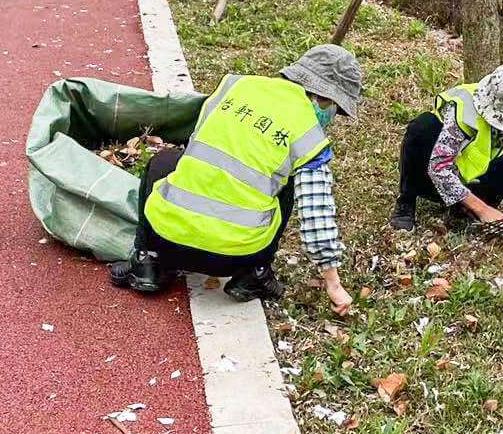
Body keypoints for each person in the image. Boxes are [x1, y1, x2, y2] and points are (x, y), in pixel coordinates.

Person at [110, 44, 361, 313]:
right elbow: (316, 215)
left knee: (165, 161)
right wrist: (333, 285)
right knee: (285, 184)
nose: (332, 117)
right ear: (322, 99)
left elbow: (197, 144)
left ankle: (146, 260)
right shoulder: (309, 136)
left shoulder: (234, 86)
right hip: (233, 259)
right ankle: (255, 275)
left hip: (167, 238)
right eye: (334, 108)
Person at [390, 63, 503, 231]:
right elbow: (438, 168)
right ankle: (407, 200)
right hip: (432, 177)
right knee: (421, 128)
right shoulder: (465, 109)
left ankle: (465, 209)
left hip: (475, 178)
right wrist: (483, 209)